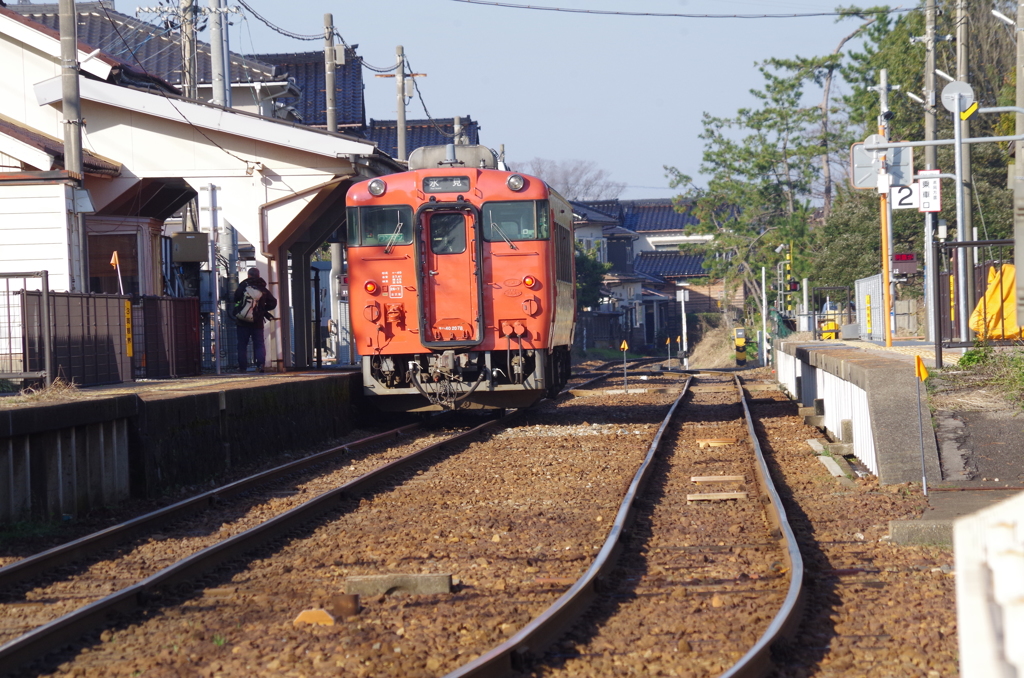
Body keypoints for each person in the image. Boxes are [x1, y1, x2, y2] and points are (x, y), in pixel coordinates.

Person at [233, 267, 277, 372]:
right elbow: (273, 302)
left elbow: (236, 298)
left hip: (242, 321)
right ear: (258, 275)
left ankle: (242, 367)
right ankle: (260, 365)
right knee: (259, 344)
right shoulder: (262, 288)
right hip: (257, 321)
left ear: (248, 275)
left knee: (242, 345)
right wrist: (262, 309)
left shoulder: (243, 286)